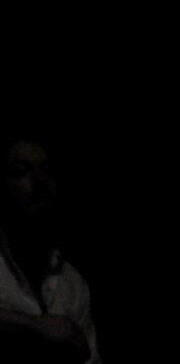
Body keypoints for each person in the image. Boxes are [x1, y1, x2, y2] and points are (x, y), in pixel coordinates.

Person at [0, 136, 102, 364]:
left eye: (46, 170)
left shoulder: (72, 283)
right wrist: (35, 326)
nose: (39, 181)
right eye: (21, 171)